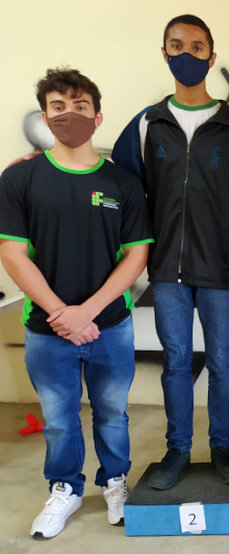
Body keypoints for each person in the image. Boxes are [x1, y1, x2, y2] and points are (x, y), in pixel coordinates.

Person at [112, 14, 229, 489]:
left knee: (222, 364)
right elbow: (123, 192)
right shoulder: (147, 124)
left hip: (221, 267)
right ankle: (177, 450)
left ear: (211, 57)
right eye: (177, 45)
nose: (186, 54)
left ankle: (222, 447)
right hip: (167, 270)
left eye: (196, 47)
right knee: (176, 363)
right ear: (164, 53)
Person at [0, 68, 152, 538]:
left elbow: (136, 256)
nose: (70, 114)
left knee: (113, 413)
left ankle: (115, 482)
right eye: (59, 107)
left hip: (110, 325)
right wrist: (61, 314)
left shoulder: (123, 183)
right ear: (45, 117)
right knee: (58, 420)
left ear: (97, 116)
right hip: (47, 330)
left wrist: (86, 312)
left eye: (80, 106)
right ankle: (64, 488)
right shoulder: (20, 177)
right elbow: (12, 253)